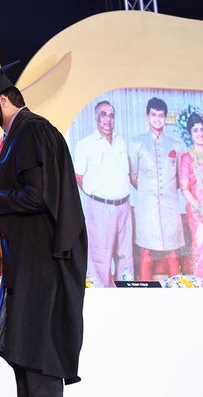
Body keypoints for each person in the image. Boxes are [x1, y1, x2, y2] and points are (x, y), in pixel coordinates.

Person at [0, 62, 87, 397]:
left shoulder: (32, 131)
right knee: (27, 367)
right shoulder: (14, 136)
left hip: (43, 266)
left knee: (41, 365)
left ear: (3, 99)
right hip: (27, 266)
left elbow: (40, 195)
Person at [73, 101, 133, 287]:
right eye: (103, 114)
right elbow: (78, 176)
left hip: (124, 206)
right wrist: (97, 195)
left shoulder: (121, 142)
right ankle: (101, 296)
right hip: (100, 207)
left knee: (126, 255)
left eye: (111, 115)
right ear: (96, 118)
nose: (108, 119)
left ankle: (126, 293)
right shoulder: (85, 144)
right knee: (100, 256)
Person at [129, 97, 185, 280]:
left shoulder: (176, 144)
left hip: (170, 207)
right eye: (154, 115)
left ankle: (175, 288)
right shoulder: (137, 143)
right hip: (147, 208)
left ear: (165, 118)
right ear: (147, 116)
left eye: (161, 115)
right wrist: (149, 191)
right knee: (146, 252)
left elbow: (180, 177)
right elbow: (133, 176)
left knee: (173, 252)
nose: (157, 119)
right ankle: (146, 290)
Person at [179, 113, 203, 277]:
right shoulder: (187, 158)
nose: (200, 133)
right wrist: (198, 207)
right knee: (200, 244)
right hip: (196, 211)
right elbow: (184, 188)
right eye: (195, 130)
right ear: (190, 133)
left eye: (202, 129)